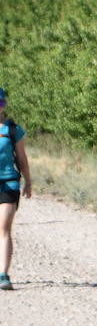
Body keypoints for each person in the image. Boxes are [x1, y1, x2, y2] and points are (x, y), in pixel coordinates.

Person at [0, 87, 32, 291]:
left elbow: (21, 158)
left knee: (3, 228)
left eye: (1, 103)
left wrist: (28, 181)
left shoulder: (13, 130)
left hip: (9, 182)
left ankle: (3, 273)